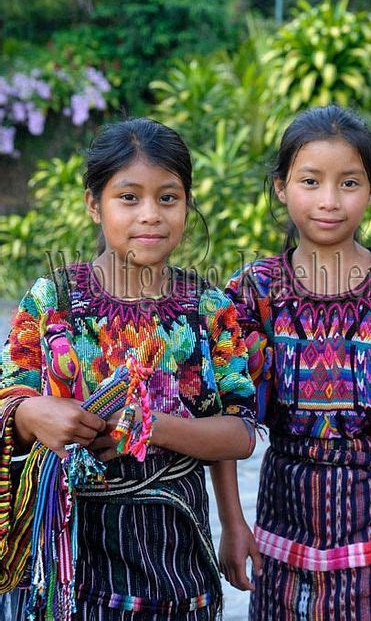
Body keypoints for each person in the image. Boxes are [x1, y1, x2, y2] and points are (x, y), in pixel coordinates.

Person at [0, 118, 256, 620]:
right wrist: (33, 415)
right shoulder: (54, 301)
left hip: (180, 556)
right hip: (72, 557)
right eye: (128, 197)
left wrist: (232, 520)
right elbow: (11, 397)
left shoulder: (206, 309)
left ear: (187, 203)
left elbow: (238, 431)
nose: (151, 215)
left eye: (168, 197)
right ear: (94, 204)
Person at [216, 105, 371, 620]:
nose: (330, 201)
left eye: (349, 183)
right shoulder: (253, 293)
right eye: (311, 181)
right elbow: (224, 414)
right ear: (282, 187)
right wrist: (232, 522)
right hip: (282, 530)